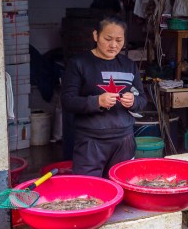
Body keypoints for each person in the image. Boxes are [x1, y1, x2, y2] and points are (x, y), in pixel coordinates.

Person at [61, 16, 147, 177]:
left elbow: (142, 99)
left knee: (122, 186)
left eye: (119, 40)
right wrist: (97, 101)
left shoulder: (129, 65)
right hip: (90, 141)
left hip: (124, 140)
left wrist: (134, 101)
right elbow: (67, 101)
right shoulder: (79, 63)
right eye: (108, 39)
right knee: (89, 189)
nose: (113, 45)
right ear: (96, 36)